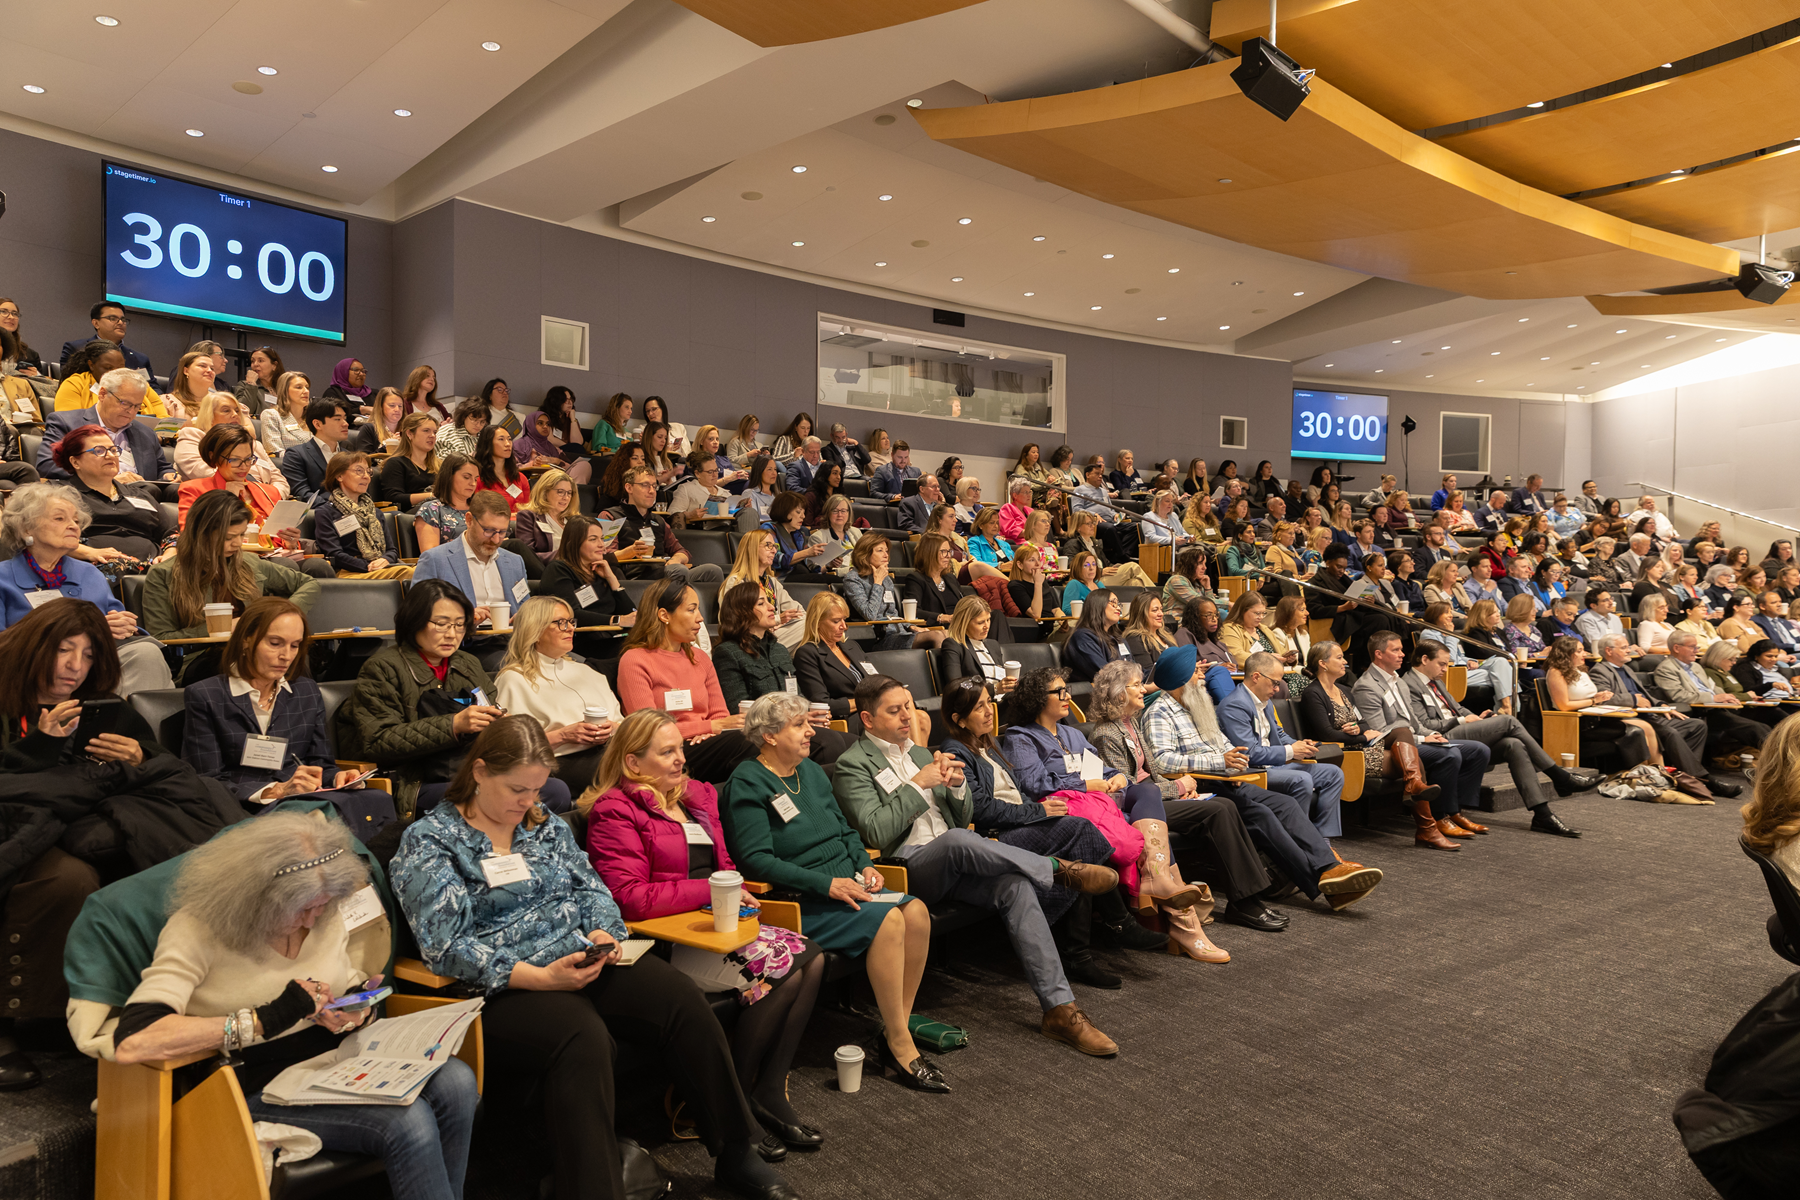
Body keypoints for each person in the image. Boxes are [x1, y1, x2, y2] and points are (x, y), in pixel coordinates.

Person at [394, 717, 787, 1200]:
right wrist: (538, 978)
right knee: (581, 1037)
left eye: (537, 789)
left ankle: (734, 1149)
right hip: (502, 986)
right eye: (517, 789)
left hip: (580, 955)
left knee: (678, 999)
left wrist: (604, 930)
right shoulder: (432, 840)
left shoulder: (544, 825)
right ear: (478, 772)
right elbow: (446, 946)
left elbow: (593, 890)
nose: (528, 802)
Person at [113, 811, 478, 1199]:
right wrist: (265, 1019)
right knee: (409, 1122)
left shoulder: (324, 911)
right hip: (252, 1085)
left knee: (456, 1080)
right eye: (302, 908)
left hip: (333, 1066)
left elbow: (342, 978)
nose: (312, 918)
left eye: (321, 905)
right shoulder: (198, 929)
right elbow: (135, 1039)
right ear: (255, 897)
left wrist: (355, 1008)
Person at [834, 674, 1121, 1056]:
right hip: (907, 868)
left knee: (1015, 887)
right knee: (958, 841)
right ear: (867, 720)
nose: (908, 717)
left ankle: (1060, 1010)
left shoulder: (920, 753)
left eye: (908, 706)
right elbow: (875, 830)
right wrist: (919, 785)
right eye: (895, 711)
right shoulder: (852, 764)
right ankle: (1056, 869)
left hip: (956, 857)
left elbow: (960, 818)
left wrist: (955, 787)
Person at [581, 710, 825, 1153]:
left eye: (679, 748)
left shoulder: (694, 796)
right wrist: (710, 889)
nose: (681, 759)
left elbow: (725, 865)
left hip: (715, 924)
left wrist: (735, 889)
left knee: (813, 957)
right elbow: (630, 897)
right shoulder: (615, 810)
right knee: (784, 969)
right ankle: (731, 1098)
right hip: (664, 939)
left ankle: (765, 1088)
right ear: (633, 763)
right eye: (667, 752)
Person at [721, 694, 944, 1097]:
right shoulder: (747, 782)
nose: (811, 732)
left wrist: (867, 865)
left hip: (847, 886)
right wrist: (825, 884)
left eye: (809, 723)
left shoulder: (810, 771)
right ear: (770, 736)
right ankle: (899, 1043)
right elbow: (754, 861)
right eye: (799, 725)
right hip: (799, 900)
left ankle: (896, 1026)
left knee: (918, 913)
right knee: (892, 919)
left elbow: (844, 832)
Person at [1002, 666, 1225, 959]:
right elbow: (1034, 784)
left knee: (1147, 790)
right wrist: (1084, 784)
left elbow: (1102, 768)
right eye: (1059, 691)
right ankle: (1182, 917)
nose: (1067, 695)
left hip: (1102, 799)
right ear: (1036, 698)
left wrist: (1117, 776)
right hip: (1069, 806)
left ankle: (1158, 881)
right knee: (1145, 812)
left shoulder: (1071, 734)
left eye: (1066, 689)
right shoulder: (1021, 737)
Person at [1141, 645, 1378, 905]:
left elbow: (1225, 745)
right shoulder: (1159, 713)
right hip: (1202, 785)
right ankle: (1322, 885)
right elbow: (1162, 760)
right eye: (1196, 672)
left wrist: (1235, 759)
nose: (1202, 676)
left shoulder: (1197, 706)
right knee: (1262, 815)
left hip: (1229, 778)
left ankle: (1330, 865)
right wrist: (1219, 761)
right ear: (1179, 678)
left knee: (1285, 804)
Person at [331, 578, 520, 817]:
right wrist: (453, 725)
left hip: (469, 770)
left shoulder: (467, 663)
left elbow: (489, 708)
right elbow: (377, 741)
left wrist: (501, 723)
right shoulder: (383, 668)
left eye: (460, 625)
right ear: (414, 621)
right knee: (497, 798)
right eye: (441, 624)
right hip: (412, 782)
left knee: (553, 789)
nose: (452, 634)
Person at [180, 597, 366, 803]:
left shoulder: (306, 691)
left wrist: (338, 778)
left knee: (373, 800)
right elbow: (207, 780)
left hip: (303, 801)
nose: (286, 656)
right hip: (243, 807)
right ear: (246, 639)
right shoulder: (206, 695)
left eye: (295, 646)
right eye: (275, 643)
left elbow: (321, 765)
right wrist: (275, 790)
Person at [0, 483, 173, 694]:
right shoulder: (4, 577)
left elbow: (117, 618)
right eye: (59, 518)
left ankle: (129, 725)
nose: (73, 526)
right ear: (26, 527)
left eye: (75, 520)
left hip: (97, 663)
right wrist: (83, 632)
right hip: (30, 667)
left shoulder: (89, 573)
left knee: (145, 653)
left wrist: (123, 625)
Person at [1405, 640, 1589, 835]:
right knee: (1508, 721)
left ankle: (1542, 814)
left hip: (1460, 729)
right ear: (1424, 659)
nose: (1445, 669)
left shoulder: (1436, 681)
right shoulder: (1410, 684)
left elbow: (1458, 708)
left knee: (1513, 744)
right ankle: (1559, 776)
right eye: (1442, 664)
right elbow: (1425, 725)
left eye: (1447, 664)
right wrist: (1461, 721)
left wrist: (1478, 718)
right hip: (1439, 737)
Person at [143, 490, 320, 682]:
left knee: (290, 658)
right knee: (247, 659)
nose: (237, 543)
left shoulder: (249, 562)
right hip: (201, 659)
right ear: (201, 534)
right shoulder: (164, 574)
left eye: (241, 535)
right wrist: (227, 628)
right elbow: (161, 639)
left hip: (255, 649)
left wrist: (277, 617)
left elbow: (308, 583)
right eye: (228, 538)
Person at [1352, 630, 1490, 848]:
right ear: (1378, 654)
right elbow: (1381, 732)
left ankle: (1455, 812)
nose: (1402, 654)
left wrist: (1429, 735)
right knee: (1450, 754)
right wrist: (1424, 740)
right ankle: (1439, 817)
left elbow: (1415, 723)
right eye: (1395, 650)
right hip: (1393, 746)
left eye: (1401, 649)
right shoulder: (1366, 686)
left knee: (1478, 750)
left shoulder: (1399, 682)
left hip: (1414, 738)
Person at [615, 580, 757, 785]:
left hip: (706, 742)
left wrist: (708, 731)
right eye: (692, 610)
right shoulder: (635, 659)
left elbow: (720, 715)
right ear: (664, 615)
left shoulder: (701, 658)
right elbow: (647, 731)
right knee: (748, 743)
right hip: (665, 750)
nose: (700, 619)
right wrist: (709, 727)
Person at [1217, 650, 1357, 852]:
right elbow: (1249, 754)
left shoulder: (1264, 701)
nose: (1277, 688)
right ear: (1256, 676)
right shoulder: (1234, 706)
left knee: (1333, 774)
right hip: (1254, 770)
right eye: (1275, 683)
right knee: (1302, 780)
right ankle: (1295, 841)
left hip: (1276, 763)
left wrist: (1301, 746)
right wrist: (1291, 751)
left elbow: (1279, 735)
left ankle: (1321, 839)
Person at [493, 596, 620, 789]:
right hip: (558, 762)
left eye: (570, 621)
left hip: (608, 750)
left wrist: (613, 728)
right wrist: (563, 736)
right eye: (560, 623)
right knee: (636, 766)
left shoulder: (588, 671)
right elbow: (512, 748)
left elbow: (622, 722)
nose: (570, 628)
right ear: (534, 630)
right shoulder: (514, 679)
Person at [1588, 633, 1728, 796]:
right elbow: (1604, 699)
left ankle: (1684, 775)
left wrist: (1662, 705)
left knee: (1696, 725)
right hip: (1631, 719)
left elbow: (1646, 695)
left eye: (1628, 647)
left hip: (1651, 714)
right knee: (1670, 733)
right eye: (1624, 647)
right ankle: (1702, 778)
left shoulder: (1627, 668)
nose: (1629, 650)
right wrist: (1633, 700)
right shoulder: (1599, 671)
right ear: (1608, 651)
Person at [411, 492, 529, 661]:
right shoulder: (436, 559)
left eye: (502, 532)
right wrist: (464, 617)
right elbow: (418, 612)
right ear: (469, 520)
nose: (496, 539)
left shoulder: (514, 561)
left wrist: (525, 616)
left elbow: (524, 602)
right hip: (466, 644)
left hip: (514, 641)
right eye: (488, 530)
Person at [52, 424, 171, 563]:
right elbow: (44, 535)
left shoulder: (140, 494)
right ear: (75, 462)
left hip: (154, 567)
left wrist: (168, 556)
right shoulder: (58, 494)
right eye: (99, 451)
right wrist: (88, 552)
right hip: (94, 566)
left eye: (113, 450)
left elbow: (170, 534)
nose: (110, 456)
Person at [38, 366, 173, 483]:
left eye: (137, 406)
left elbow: (162, 468)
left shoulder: (146, 433)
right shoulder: (66, 423)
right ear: (102, 394)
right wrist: (106, 481)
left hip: (140, 497)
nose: (131, 411)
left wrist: (168, 475)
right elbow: (48, 465)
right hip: (91, 497)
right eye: (125, 403)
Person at [1543, 635, 1658, 768]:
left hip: (1595, 718)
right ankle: (1639, 776)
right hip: (1576, 724)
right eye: (1579, 651)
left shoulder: (1580, 670)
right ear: (1567, 653)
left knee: (1640, 730)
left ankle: (1651, 774)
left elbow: (1586, 696)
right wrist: (1593, 700)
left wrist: (1601, 696)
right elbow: (1564, 706)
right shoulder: (1556, 672)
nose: (1584, 653)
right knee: (1637, 731)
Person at [605, 466, 725, 587]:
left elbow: (682, 551)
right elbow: (605, 557)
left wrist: (676, 559)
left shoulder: (658, 520)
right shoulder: (611, 516)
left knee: (713, 571)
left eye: (654, 486)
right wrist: (630, 552)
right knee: (678, 571)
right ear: (629, 487)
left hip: (665, 572)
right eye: (645, 485)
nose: (652, 491)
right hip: (635, 578)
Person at [538, 514, 637, 660]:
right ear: (574, 543)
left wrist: (612, 579)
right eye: (593, 539)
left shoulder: (602, 572)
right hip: (578, 643)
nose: (601, 545)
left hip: (610, 639)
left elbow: (631, 614)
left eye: (602, 539)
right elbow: (571, 614)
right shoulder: (559, 570)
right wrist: (617, 620)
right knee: (636, 652)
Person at [312, 452, 411, 580]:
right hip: (349, 572)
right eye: (359, 471)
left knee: (421, 570)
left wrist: (385, 560)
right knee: (409, 573)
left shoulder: (375, 512)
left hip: (381, 568)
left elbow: (392, 550)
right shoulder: (326, 512)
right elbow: (334, 554)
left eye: (368, 472)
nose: (366, 477)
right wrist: (369, 565)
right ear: (339, 476)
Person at [712, 581, 803, 711]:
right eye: (761, 603)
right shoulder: (727, 653)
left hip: (794, 723)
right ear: (742, 612)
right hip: (762, 728)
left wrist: (810, 713)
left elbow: (798, 696)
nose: (771, 607)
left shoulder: (780, 650)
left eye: (768, 601)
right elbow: (738, 709)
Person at [173, 391, 283, 485]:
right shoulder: (192, 436)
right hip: (219, 499)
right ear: (209, 416)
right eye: (226, 410)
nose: (235, 414)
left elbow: (279, 480)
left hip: (265, 499)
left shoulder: (254, 445)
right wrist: (252, 489)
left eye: (237, 410)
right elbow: (200, 471)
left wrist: (273, 495)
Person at [792, 591, 870, 719]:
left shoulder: (852, 646)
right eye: (836, 621)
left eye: (844, 620)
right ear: (817, 622)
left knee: (910, 709)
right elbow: (822, 704)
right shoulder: (807, 654)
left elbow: (875, 680)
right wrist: (868, 701)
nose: (844, 627)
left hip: (871, 712)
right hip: (846, 719)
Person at [935, 595, 1014, 692]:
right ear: (964, 623)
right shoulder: (953, 645)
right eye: (980, 623)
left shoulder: (993, 645)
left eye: (988, 620)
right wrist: (995, 689)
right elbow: (955, 687)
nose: (987, 626)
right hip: (979, 703)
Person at [279, 398, 349, 501]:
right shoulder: (296, 455)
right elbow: (302, 494)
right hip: (322, 513)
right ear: (317, 424)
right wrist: (337, 508)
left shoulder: (349, 456)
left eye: (345, 418)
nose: (345, 424)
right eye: (337, 419)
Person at [899, 532, 968, 632]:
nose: (948, 556)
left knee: (994, 615)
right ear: (929, 553)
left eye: (949, 551)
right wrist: (941, 617)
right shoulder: (916, 579)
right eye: (944, 551)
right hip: (939, 628)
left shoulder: (950, 578)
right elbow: (914, 612)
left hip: (960, 625)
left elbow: (964, 602)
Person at [412, 453, 479, 553]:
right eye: (466, 477)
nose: (473, 483)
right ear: (449, 476)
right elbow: (431, 555)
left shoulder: (480, 509)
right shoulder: (432, 509)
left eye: (476, 479)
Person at [1062, 587, 1129, 682]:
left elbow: (1133, 667)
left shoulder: (1117, 637)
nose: (1118, 608)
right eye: (1113, 603)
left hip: (1128, 689)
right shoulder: (1083, 638)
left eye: (1118, 604)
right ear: (1097, 605)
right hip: (1099, 694)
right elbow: (1104, 674)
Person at [472, 425, 531, 513]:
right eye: (501, 439)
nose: (508, 444)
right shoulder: (477, 478)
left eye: (509, 439)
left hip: (520, 525)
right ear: (488, 443)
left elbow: (528, 510)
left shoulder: (520, 478)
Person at [259, 370, 314, 460]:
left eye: (307, 387)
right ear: (285, 391)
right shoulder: (271, 415)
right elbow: (275, 452)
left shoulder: (313, 418)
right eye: (299, 387)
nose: (306, 391)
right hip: (291, 468)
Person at [1120, 591, 1173, 664]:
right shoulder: (1135, 638)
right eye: (1155, 610)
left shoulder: (1165, 632)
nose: (1161, 614)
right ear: (1141, 614)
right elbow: (1148, 673)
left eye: (1161, 609)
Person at [434, 396, 488, 463]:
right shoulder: (447, 432)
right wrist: (464, 461)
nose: (478, 425)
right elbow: (438, 462)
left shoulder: (486, 435)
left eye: (482, 422)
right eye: (474, 420)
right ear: (464, 416)